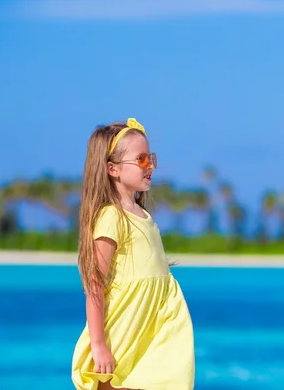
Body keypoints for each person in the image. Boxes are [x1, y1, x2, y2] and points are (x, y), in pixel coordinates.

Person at [71, 118, 195, 390]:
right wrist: (99, 345)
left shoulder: (144, 215)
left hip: (151, 331)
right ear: (113, 169)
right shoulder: (111, 218)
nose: (150, 165)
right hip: (124, 332)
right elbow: (94, 285)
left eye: (151, 158)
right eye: (140, 160)